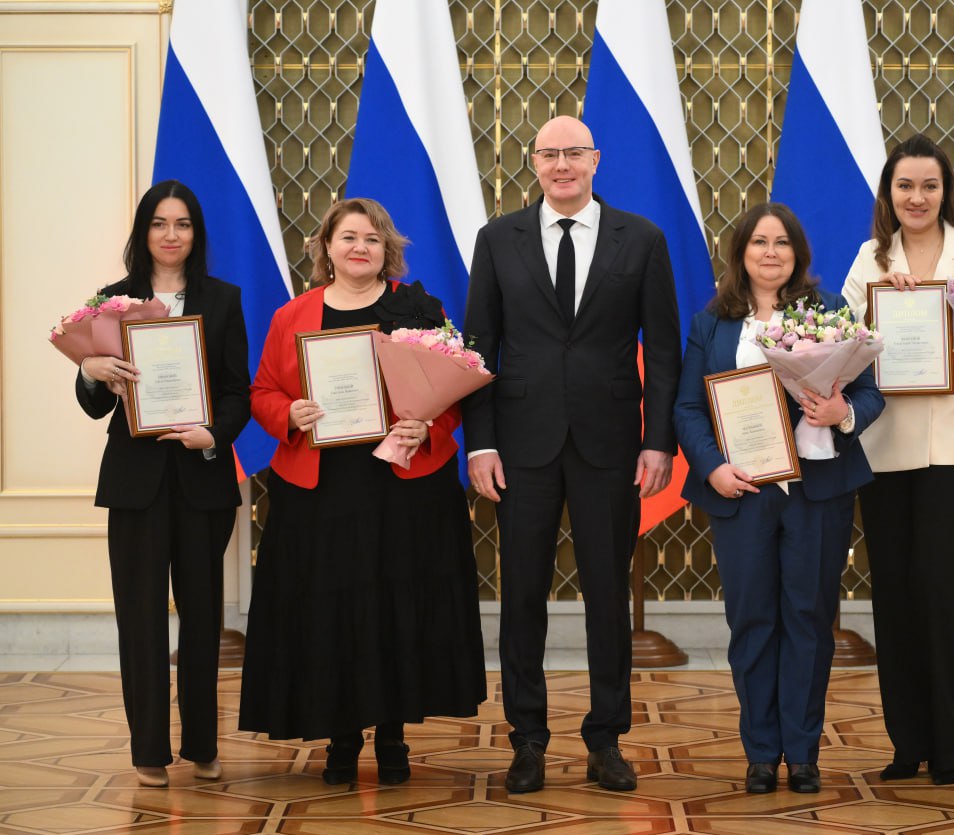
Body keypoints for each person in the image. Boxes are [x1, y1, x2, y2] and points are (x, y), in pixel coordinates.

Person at [462, 115, 681, 794]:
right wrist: (481, 443)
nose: (562, 164)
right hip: (520, 447)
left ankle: (606, 739)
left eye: (574, 153)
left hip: (610, 445)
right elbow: (478, 348)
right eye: (550, 153)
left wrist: (658, 440)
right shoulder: (497, 238)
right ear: (533, 163)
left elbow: (664, 351)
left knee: (607, 596)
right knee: (522, 595)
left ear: (596, 160)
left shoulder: (640, 238)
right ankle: (526, 740)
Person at [238, 198, 486, 785]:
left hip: (402, 485)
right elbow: (262, 391)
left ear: (386, 250)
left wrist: (428, 425)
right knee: (332, 610)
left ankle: (394, 736)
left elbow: (456, 388)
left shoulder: (419, 309)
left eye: (372, 239)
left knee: (397, 608)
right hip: (320, 489)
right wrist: (287, 413)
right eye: (348, 237)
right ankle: (342, 737)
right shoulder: (292, 316)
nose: (360, 247)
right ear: (326, 246)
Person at [673, 203, 883, 794]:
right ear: (741, 253)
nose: (771, 253)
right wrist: (712, 468)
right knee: (752, 621)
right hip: (741, 493)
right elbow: (688, 407)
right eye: (759, 242)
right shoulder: (712, 323)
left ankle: (804, 752)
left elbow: (871, 395)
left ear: (798, 254)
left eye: (782, 243)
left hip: (816, 492)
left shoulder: (829, 313)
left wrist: (843, 414)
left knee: (809, 620)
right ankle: (762, 752)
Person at [841, 134, 954, 785]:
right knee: (893, 590)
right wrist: (880, 308)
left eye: (928, 185)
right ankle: (906, 741)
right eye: (905, 186)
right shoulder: (869, 257)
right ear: (888, 194)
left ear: (946, 191)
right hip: (884, 443)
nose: (916, 197)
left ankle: (950, 744)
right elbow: (845, 350)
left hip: (953, 440)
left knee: (941, 585)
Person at [75, 180, 250, 787]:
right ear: (143, 232)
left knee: (202, 617)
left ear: (196, 233)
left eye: (182, 224)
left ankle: (203, 745)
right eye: (159, 223)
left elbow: (238, 392)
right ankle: (148, 750)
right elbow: (94, 404)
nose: (170, 235)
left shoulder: (223, 299)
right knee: (141, 618)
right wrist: (91, 370)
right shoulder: (112, 301)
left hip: (201, 478)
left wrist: (213, 435)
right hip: (135, 484)